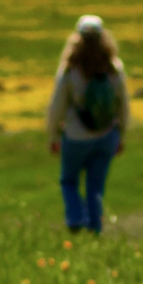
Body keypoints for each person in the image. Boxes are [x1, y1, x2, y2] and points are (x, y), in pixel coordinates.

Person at [45, 15, 129, 234]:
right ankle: (94, 228)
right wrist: (122, 136)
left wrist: (53, 136)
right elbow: (123, 106)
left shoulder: (70, 69)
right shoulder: (114, 68)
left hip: (75, 136)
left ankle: (75, 220)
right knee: (96, 187)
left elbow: (57, 107)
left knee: (69, 180)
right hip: (106, 135)